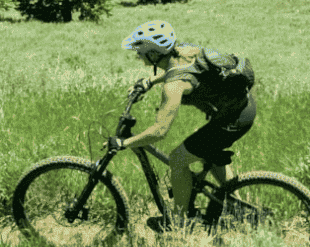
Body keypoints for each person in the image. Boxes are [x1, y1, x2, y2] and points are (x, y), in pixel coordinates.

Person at [108, 20, 256, 226]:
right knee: (205, 150)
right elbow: (180, 70)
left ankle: (178, 222)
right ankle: (237, 207)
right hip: (241, 106)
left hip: (233, 118)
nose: (137, 55)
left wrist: (124, 143)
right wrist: (150, 81)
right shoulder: (184, 50)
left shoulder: (174, 88)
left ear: (153, 54)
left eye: (140, 51)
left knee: (178, 159)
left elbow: (159, 131)